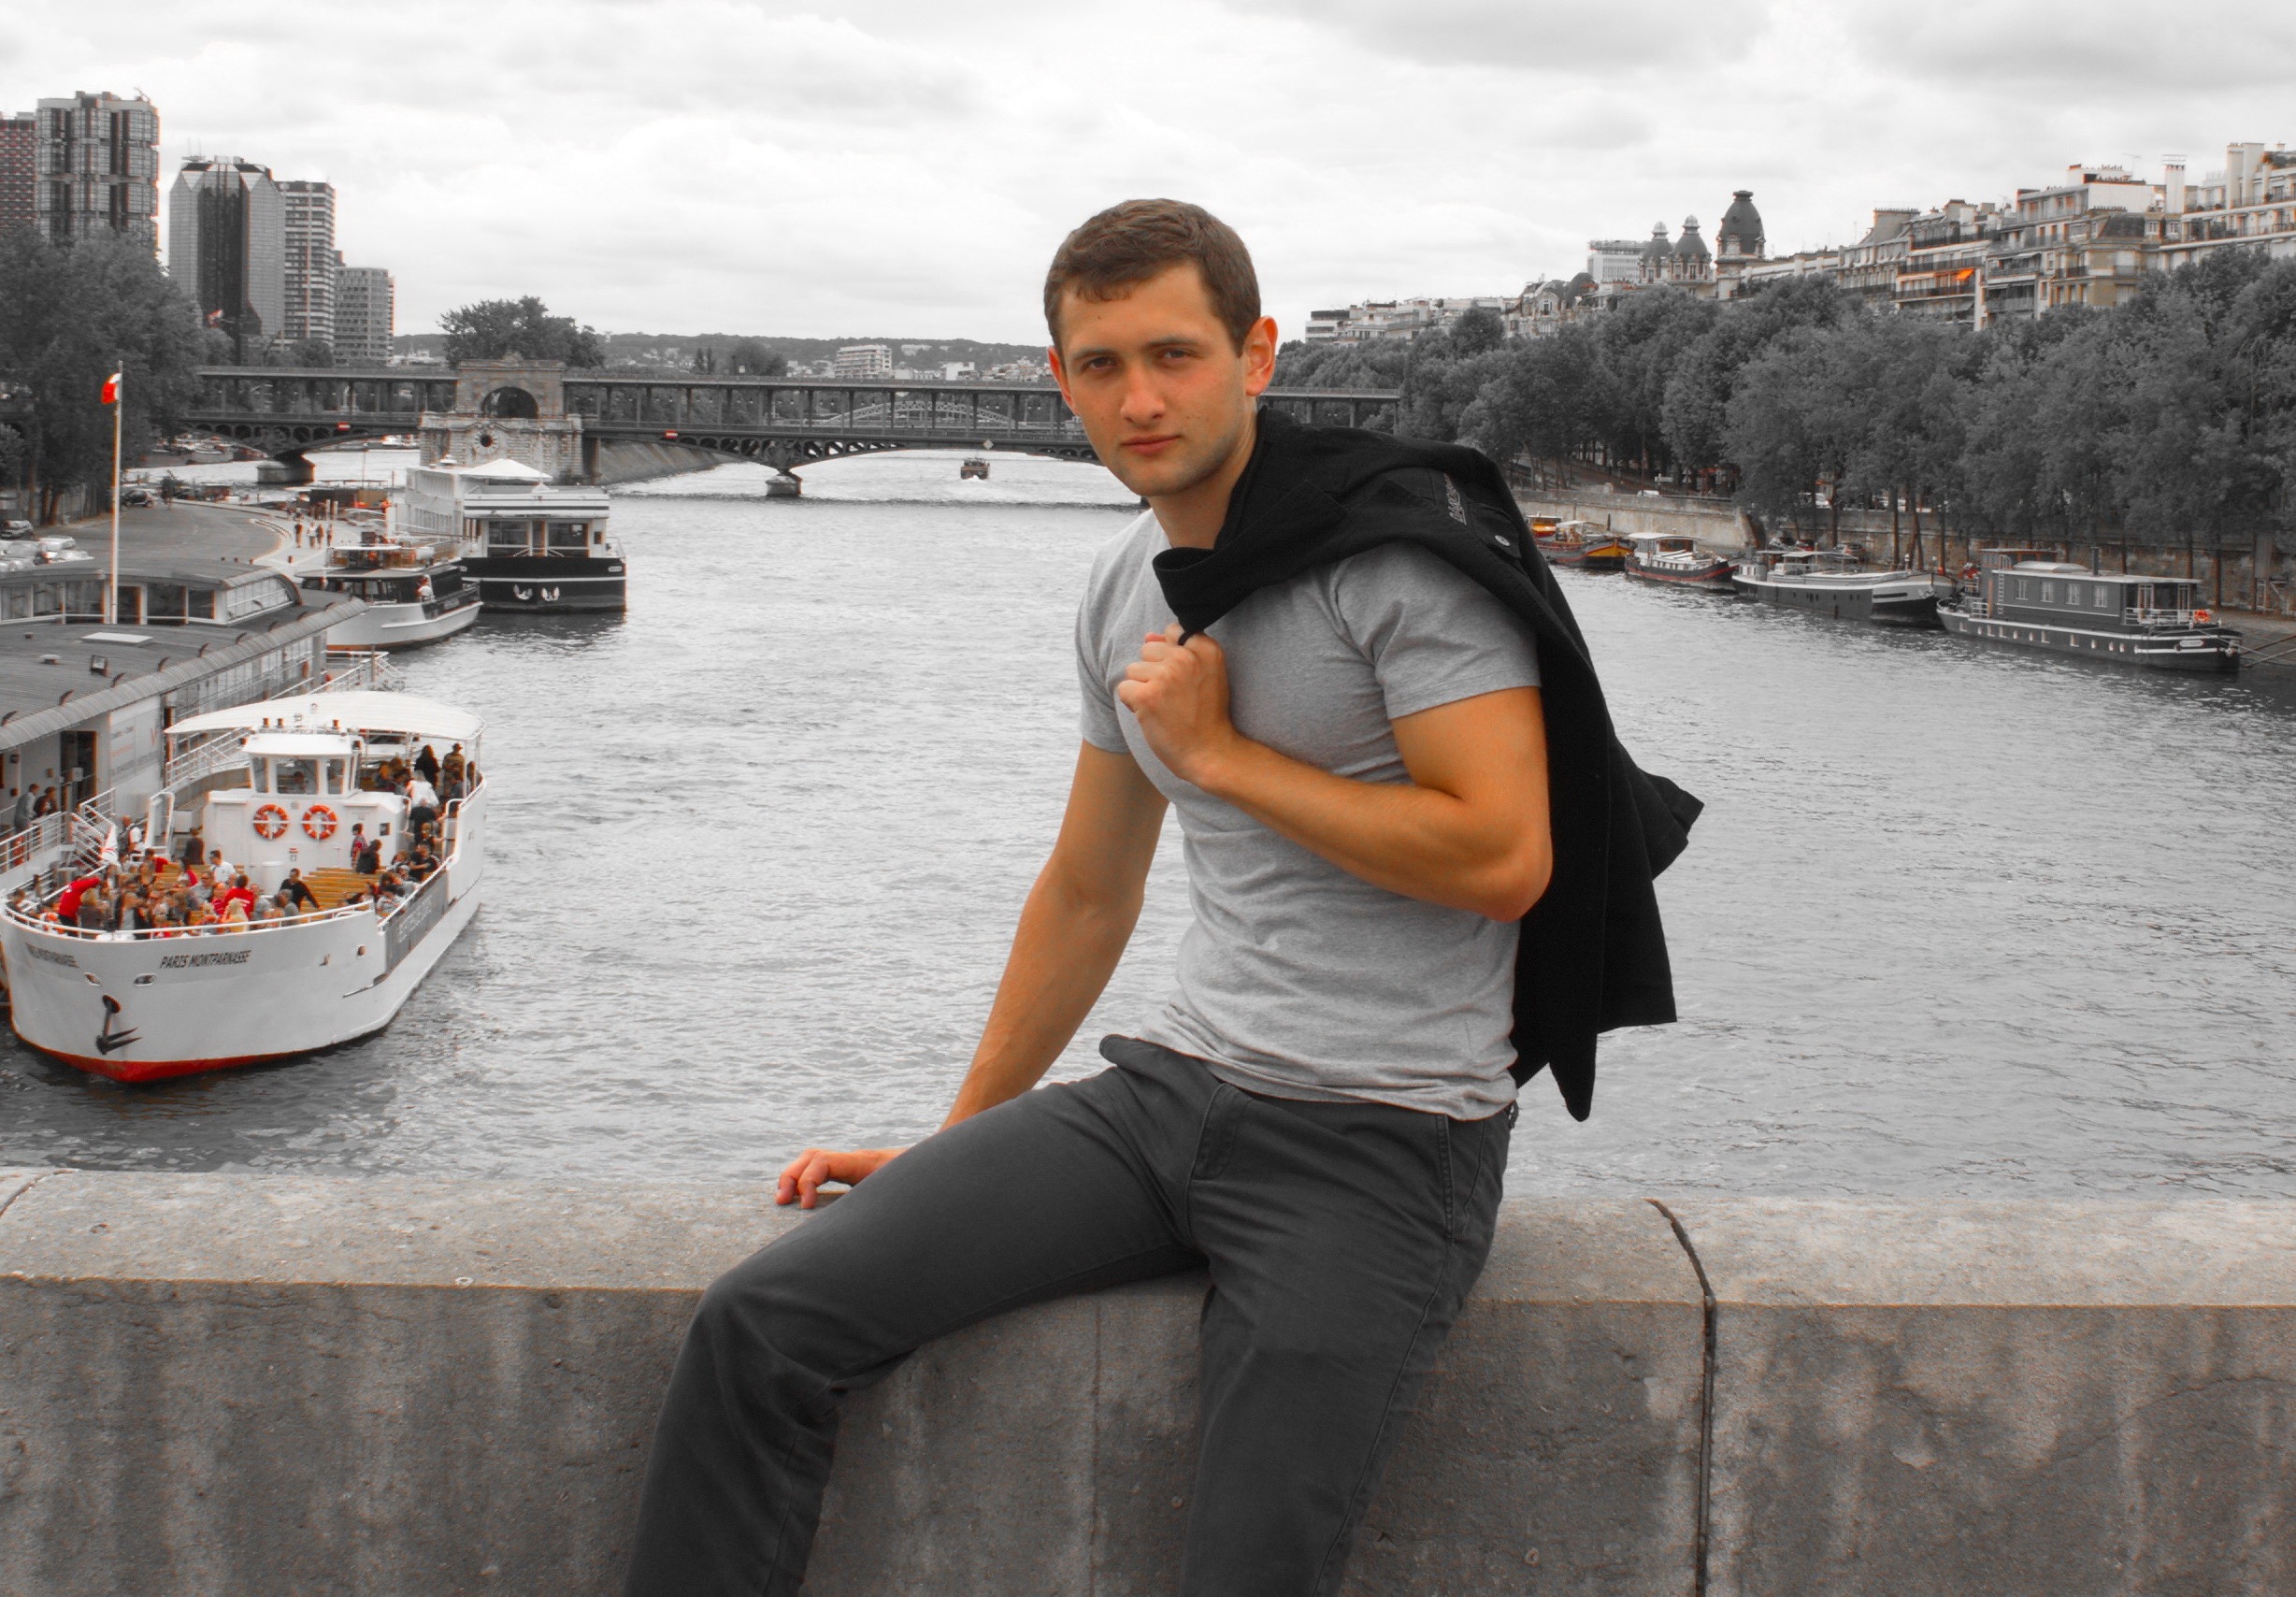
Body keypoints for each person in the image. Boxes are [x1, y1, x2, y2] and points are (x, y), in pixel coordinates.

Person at [620, 201, 1694, 1597]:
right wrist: (960, 1140)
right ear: (1059, 383)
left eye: (1175, 355)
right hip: (1171, 1096)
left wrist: (1223, 756)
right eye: (1103, 365)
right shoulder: (1124, 580)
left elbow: (1503, 857)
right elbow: (1088, 887)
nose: (1141, 400)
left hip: (1385, 1138)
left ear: (1256, 355)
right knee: (758, 1326)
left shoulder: (1397, 562)